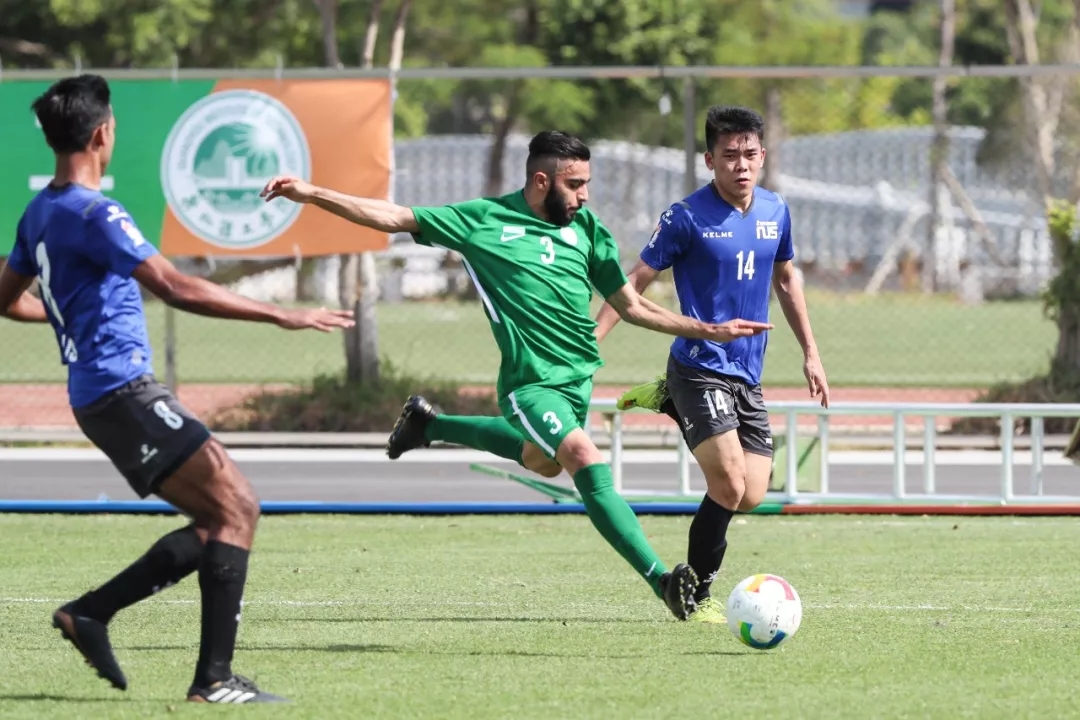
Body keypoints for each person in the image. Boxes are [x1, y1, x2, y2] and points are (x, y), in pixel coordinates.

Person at [260, 130, 772, 620]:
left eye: (587, 184)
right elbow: (393, 216)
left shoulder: (588, 230)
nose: (584, 195)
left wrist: (707, 329)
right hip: (530, 385)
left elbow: (631, 306)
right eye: (576, 184)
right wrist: (312, 193)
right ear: (542, 181)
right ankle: (662, 582)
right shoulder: (484, 221)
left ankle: (430, 425)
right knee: (582, 458)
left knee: (542, 461)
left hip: (577, 381)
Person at [0, 74, 354, 703]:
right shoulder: (96, 212)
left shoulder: (40, 212)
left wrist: (68, 319)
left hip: (99, 396)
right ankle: (211, 679)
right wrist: (281, 314)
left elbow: (6, 300)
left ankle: (92, 614)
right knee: (238, 508)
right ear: (102, 134)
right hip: (123, 392)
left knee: (222, 518)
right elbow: (175, 286)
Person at [592, 105, 830, 625]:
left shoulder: (776, 211)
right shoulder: (686, 217)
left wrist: (811, 352)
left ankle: (668, 401)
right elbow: (634, 282)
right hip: (698, 365)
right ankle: (694, 596)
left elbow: (786, 279)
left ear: (762, 156)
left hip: (747, 373)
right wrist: (591, 342)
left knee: (752, 494)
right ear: (709, 160)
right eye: (729, 156)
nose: (740, 165)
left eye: (749, 154)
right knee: (727, 486)